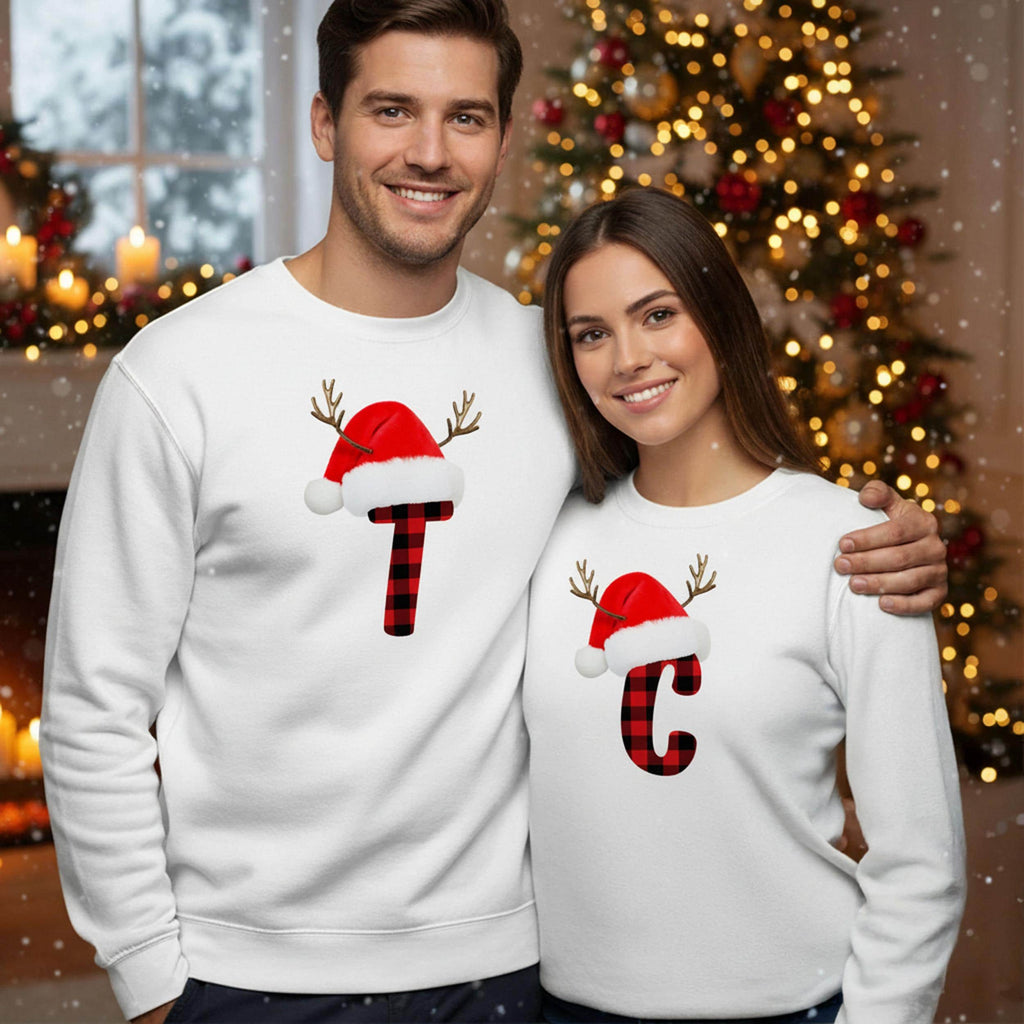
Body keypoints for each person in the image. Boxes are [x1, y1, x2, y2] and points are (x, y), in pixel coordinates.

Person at [39, 2, 947, 1022]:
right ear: (324, 124)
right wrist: (149, 972)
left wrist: (875, 536)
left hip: (506, 974)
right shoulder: (181, 374)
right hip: (248, 977)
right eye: (392, 110)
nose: (428, 152)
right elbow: (92, 704)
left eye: (465, 117)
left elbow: (703, 502)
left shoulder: (555, 362)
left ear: (503, 139)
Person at [524, 187, 966, 1024]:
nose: (627, 358)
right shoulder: (550, 540)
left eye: (658, 315)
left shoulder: (853, 546)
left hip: (795, 1006)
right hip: (563, 1008)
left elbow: (920, 861)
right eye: (591, 334)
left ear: (720, 314)